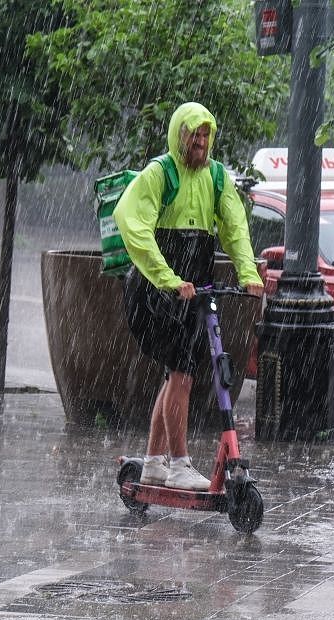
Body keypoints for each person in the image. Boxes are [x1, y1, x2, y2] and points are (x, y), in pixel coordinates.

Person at [115, 102, 264, 491]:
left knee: (177, 373)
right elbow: (130, 222)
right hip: (154, 291)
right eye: (192, 135)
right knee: (181, 372)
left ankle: (152, 464)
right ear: (178, 135)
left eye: (204, 136)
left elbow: (234, 228)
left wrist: (248, 274)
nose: (199, 142)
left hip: (194, 291)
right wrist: (165, 278)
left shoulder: (216, 177)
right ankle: (179, 463)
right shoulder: (159, 173)